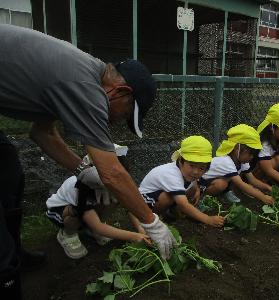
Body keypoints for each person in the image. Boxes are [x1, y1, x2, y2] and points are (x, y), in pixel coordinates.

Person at [0, 25, 175, 297]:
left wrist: (82, 170)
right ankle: (6, 273)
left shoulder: (82, 75)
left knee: (8, 171)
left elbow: (42, 132)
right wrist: (153, 222)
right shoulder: (87, 89)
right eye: (125, 115)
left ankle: (15, 253)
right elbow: (112, 174)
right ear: (120, 91)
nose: (116, 121)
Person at [46, 145, 151, 259]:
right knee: (74, 215)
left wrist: (140, 228)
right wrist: (135, 236)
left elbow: (130, 207)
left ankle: (92, 229)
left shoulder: (112, 184)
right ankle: (68, 234)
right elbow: (98, 226)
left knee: (115, 199)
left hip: (89, 208)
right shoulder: (80, 188)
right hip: (61, 211)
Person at [137, 136, 225, 227]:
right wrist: (208, 219)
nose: (195, 172)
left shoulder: (186, 173)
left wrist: (197, 189)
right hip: (142, 203)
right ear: (180, 161)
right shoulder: (171, 174)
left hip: (156, 198)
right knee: (167, 198)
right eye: (191, 165)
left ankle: (173, 213)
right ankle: (154, 218)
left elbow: (193, 183)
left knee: (191, 190)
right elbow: (183, 204)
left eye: (201, 168)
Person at [200, 124, 273, 205]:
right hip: (201, 184)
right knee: (221, 184)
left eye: (254, 154)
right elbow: (241, 184)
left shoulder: (241, 162)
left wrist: (269, 188)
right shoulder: (226, 162)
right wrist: (263, 197)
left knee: (227, 180)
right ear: (236, 148)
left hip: (213, 181)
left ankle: (224, 193)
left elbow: (253, 180)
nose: (252, 157)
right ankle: (203, 197)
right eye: (250, 153)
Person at [253, 103, 279, 185]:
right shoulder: (264, 142)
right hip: (254, 171)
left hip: (267, 167)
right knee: (278, 159)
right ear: (272, 127)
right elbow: (268, 169)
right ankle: (260, 183)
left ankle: (270, 181)